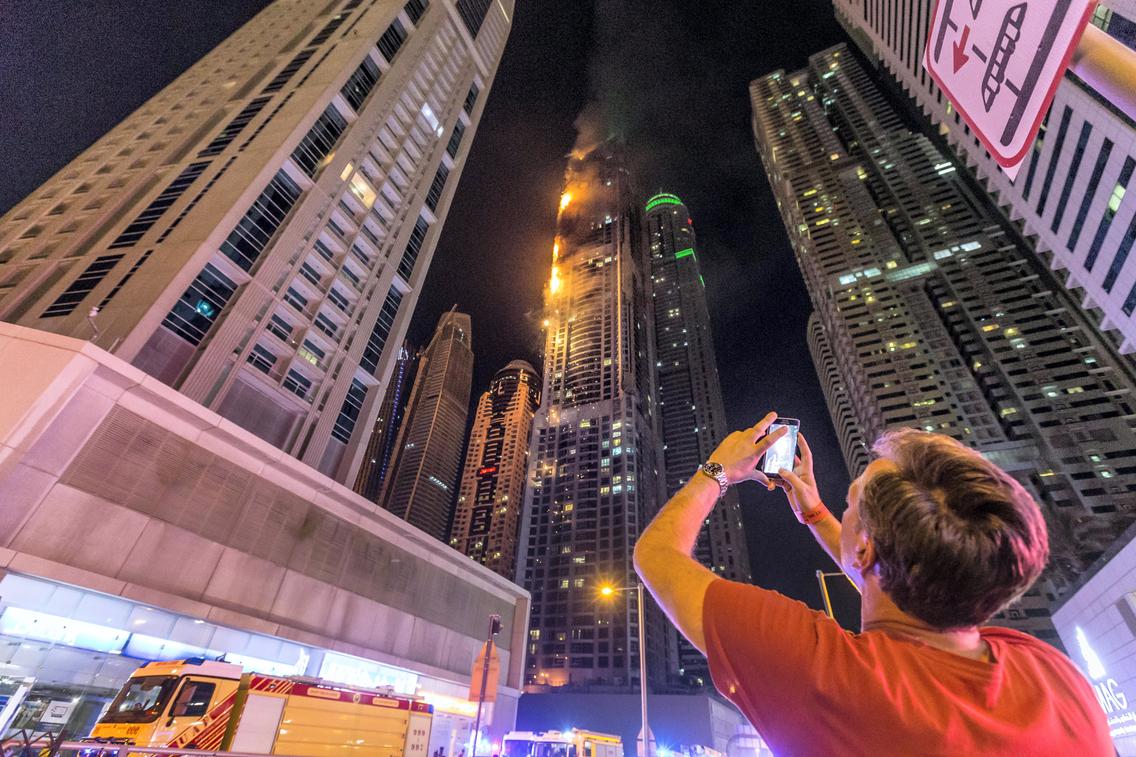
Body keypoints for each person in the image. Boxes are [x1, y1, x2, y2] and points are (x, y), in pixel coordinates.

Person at [634, 412, 1113, 755]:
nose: (841, 510)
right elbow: (906, 586)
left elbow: (656, 555)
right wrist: (817, 515)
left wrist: (718, 470)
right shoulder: (1052, 673)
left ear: (864, 550)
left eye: (849, 502)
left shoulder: (826, 675)